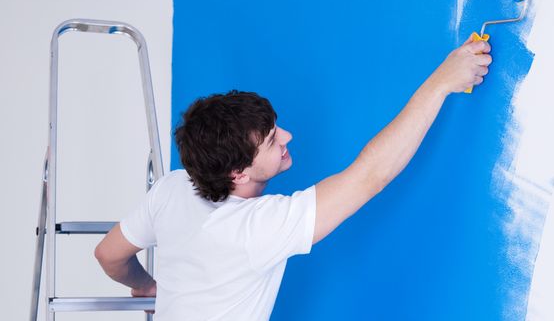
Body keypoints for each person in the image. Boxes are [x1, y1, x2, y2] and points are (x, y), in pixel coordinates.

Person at [94, 36, 492, 320]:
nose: (287, 137)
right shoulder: (253, 229)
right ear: (239, 172)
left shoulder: (173, 187)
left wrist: (148, 287)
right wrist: (442, 82)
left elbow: (109, 254)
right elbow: (370, 174)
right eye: (271, 141)